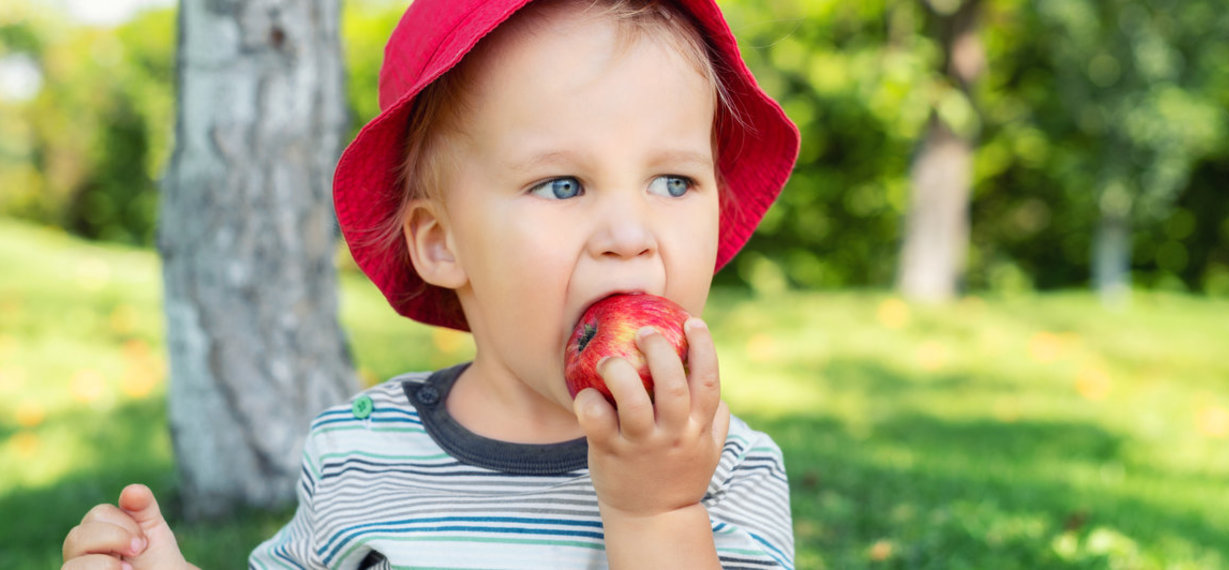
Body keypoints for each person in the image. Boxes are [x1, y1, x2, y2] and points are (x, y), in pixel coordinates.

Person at [61, 0, 799, 567]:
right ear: (442, 244)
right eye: (564, 185)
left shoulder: (723, 466)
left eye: (673, 181)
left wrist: (658, 511)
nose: (629, 234)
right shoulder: (358, 451)